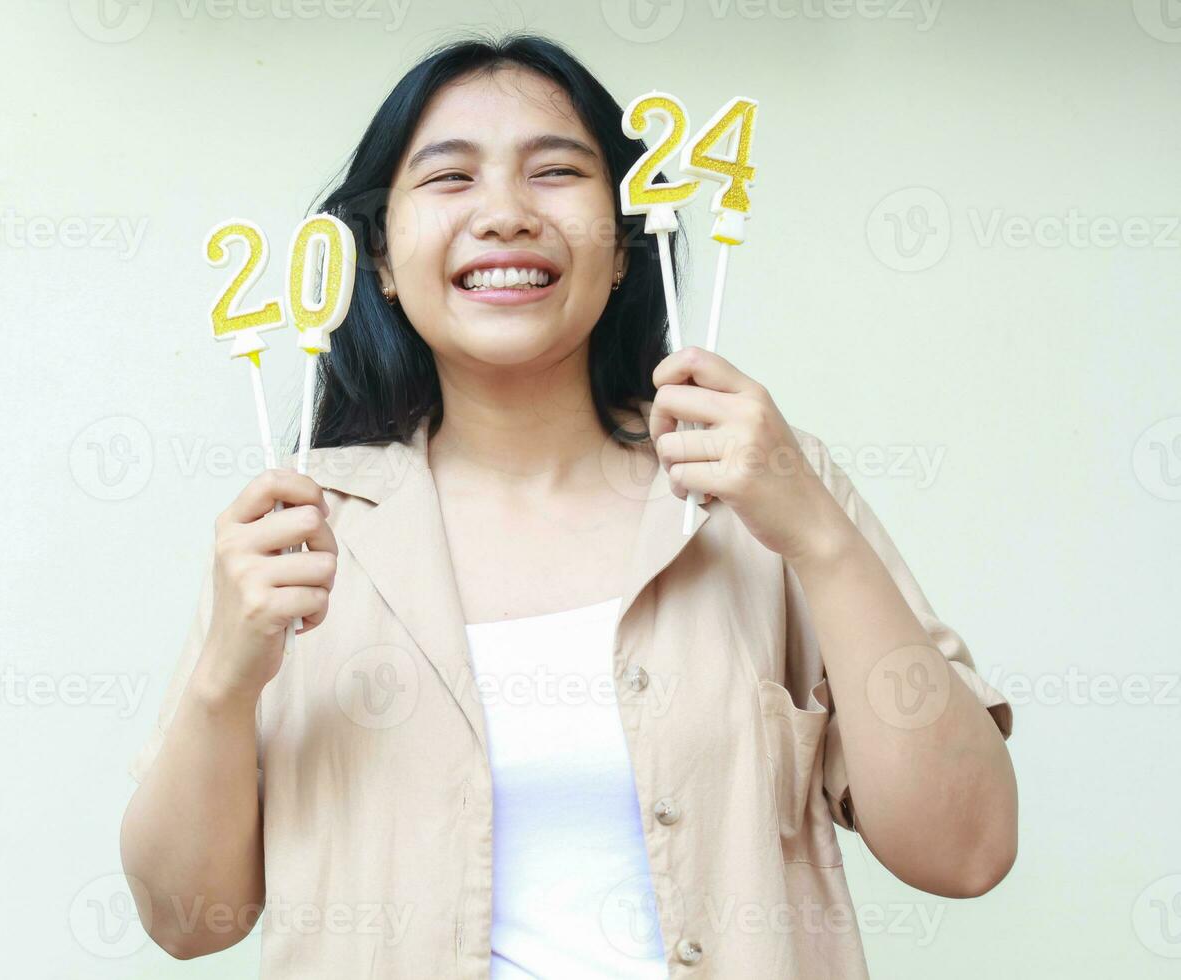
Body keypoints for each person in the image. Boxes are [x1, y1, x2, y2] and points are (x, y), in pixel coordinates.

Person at [119, 32, 1016, 979]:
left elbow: (965, 851)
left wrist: (823, 541)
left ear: (628, 243)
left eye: (555, 172)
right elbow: (188, 920)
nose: (504, 214)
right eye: (449, 179)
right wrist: (225, 678)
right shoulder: (304, 530)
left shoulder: (770, 492)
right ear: (379, 259)